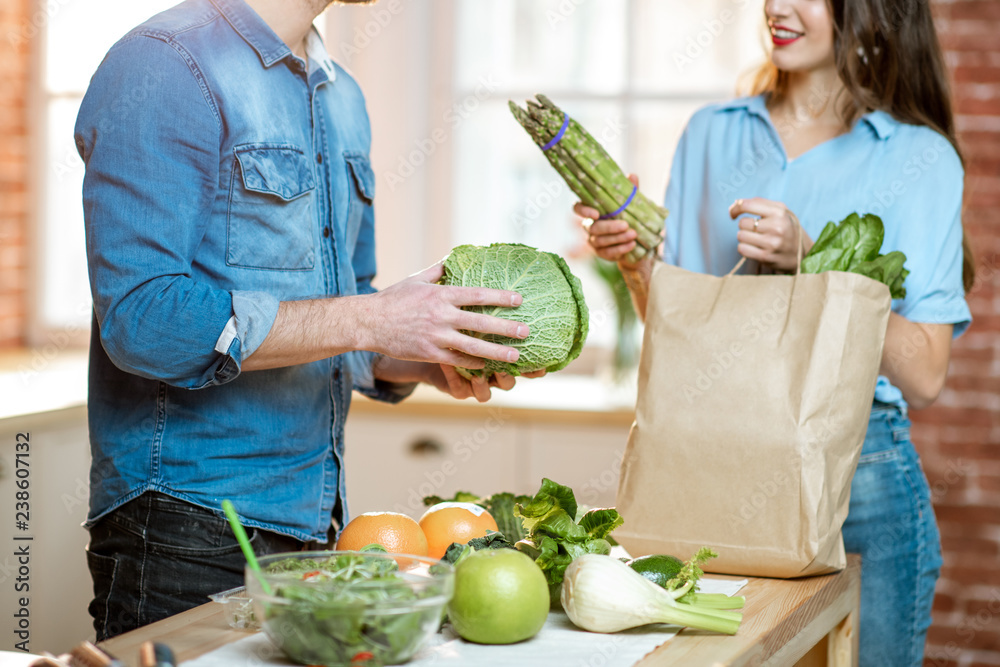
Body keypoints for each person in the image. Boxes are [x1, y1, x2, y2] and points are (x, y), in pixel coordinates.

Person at [75, 0, 536, 640]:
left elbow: (341, 310)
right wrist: (373, 319)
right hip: (187, 529)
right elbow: (142, 319)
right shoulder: (167, 64)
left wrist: (413, 351)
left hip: (318, 525)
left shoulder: (341, 95)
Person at [579, 0, 973, 664]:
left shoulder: (920, 158)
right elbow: (681, 334)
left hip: (862, 489)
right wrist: (633, 260)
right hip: (715, 463)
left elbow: (927, 370)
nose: (776, 7)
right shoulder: (711, 133)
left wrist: (815, 258)